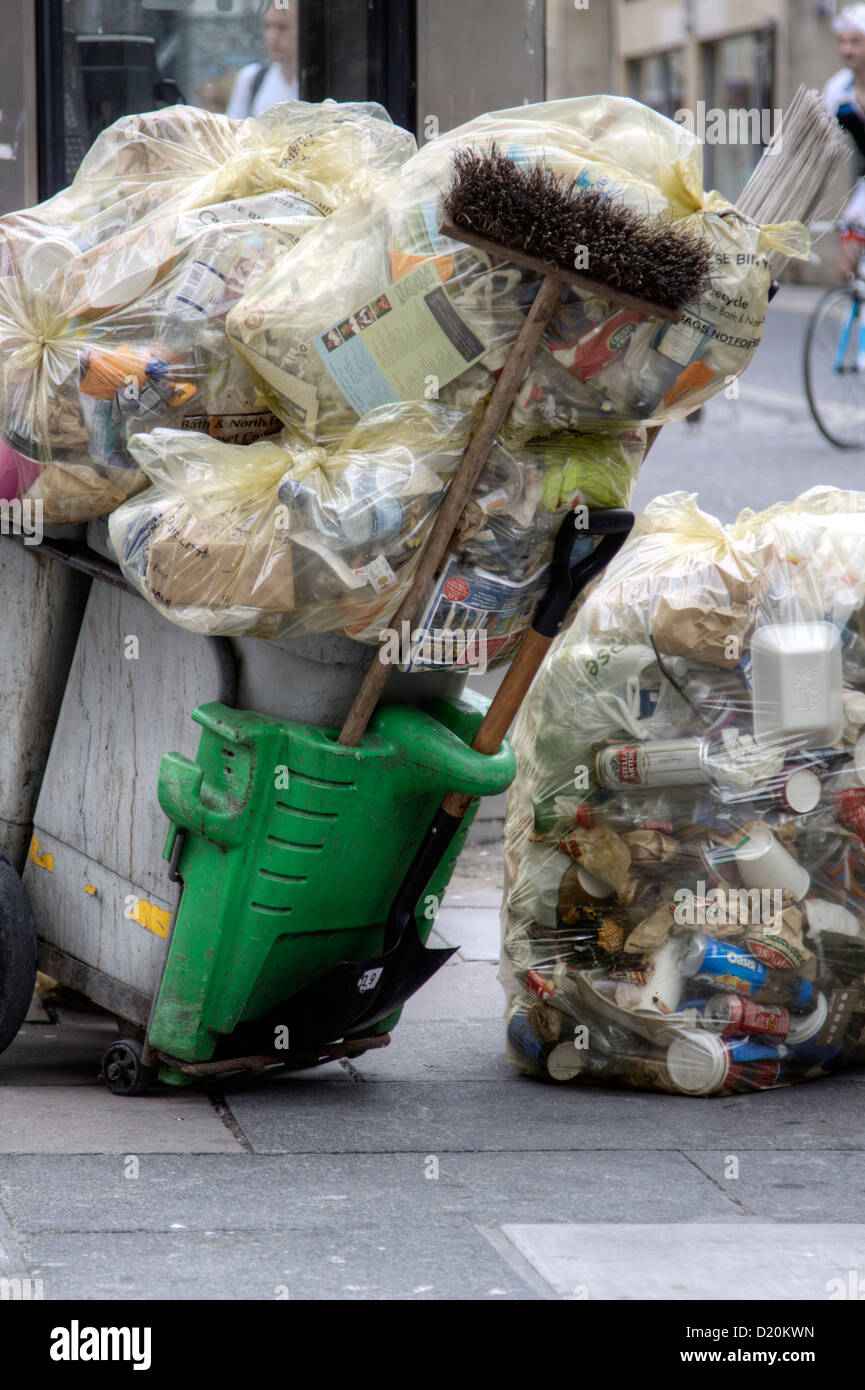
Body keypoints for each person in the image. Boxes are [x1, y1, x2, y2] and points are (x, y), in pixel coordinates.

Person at [824, 4, 865, 277]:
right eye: (842, 42)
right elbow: (823, 142)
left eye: (855, 42)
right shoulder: (838, 90)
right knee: (852, 227)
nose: (846, 50)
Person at [226, 1, 299, 120]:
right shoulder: (251, 78)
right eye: (268, 26)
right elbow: (235, 131)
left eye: (283, 27)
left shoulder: (324, 81)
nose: (272, 36)